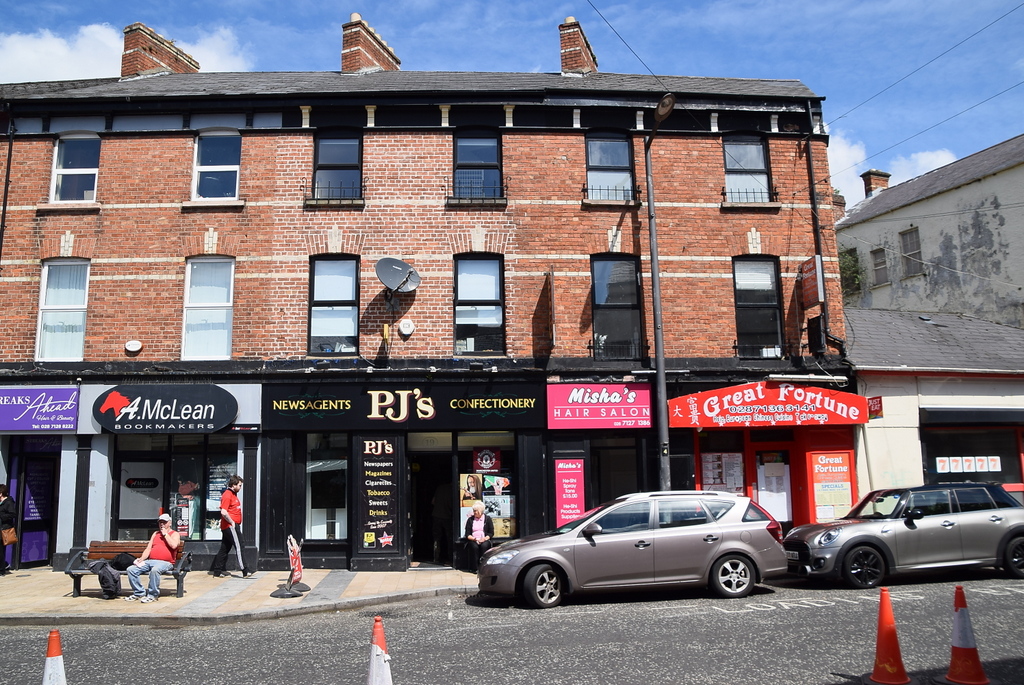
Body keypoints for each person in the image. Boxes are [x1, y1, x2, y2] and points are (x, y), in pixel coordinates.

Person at [125, 513, 180, 603]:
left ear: (169, 523)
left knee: (155, 570)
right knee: (131, 569)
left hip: (166, 562)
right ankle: (139, 592)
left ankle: (153, 595)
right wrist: (142, 558)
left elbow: (174, 545)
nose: (162, 524)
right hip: (150, 561)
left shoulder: (174, 534)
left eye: (164, 522)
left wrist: (165, 534)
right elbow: (148, 548)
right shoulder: (155, 534)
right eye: (160, 522)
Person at [210, 475, 252, 578]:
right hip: (230, 526)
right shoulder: (227, 495)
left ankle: (217, 571)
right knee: (239, 546)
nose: (240, 488)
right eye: (239, 485)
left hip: (230, 525)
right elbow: (224, 511)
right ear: (233, 485)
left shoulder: (233, 494)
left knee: (224, 548)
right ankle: (245, 570)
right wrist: (232, 522)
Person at [463, 501, 494, 571]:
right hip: (473, 539)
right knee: (474, 547)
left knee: (484, 546)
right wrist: (475, 539)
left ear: (480, 511)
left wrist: (484, 539)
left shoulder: (487, 519)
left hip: (484, 539)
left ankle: (483, 567)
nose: (474, 512)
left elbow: (491, 533)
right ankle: (475, 568)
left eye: (475, 511)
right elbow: (467, 534)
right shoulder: (470, 520)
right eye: (473, 511)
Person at [431, 482, 453, 565]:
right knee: (450, 538)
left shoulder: (439, 487)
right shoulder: (452, 488)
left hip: (436, 515)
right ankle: (451, 558)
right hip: (447, 516)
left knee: (437, 538)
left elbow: (433, 501)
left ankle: (435, 558)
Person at [0, 484, 15, 576]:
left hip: (3, 530)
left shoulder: (8, 502)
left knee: (1, 551)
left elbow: (12, 514)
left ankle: (2, 570)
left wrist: (2, 516)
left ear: (1, 494)